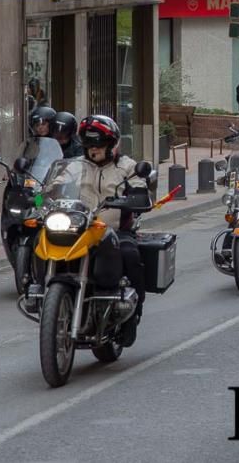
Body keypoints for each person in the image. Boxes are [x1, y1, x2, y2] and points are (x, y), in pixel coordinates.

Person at [77, 114, 147, 347]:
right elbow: (53, 187)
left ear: (112, 145)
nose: (93, 149)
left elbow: (140, 189)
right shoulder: (77, 167)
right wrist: (36, 200)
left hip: (116, 230)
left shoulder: (126, 167)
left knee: (130, 254)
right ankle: (39, 292)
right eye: (89, 145)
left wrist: (135, 197)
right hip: (79, 230)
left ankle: (133, 314)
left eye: (99, 144)